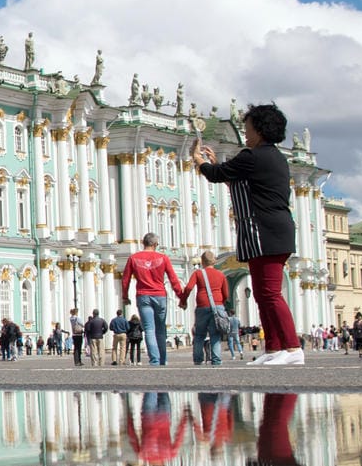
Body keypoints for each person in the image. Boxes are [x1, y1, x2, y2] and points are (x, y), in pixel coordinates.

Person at [194, 104, 302, 366]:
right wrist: (218, 164)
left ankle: (292, 347)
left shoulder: (252, 156)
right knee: (263, 293)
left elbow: (218, 176)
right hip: (269, 230)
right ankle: (275, 348)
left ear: (261, 129)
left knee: (271, 293)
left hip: (265, 230)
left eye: (248, 127)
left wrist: (200, 162)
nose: (245, 131)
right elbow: (241, 183)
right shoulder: (273, 157)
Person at [120, 233, 184, 366]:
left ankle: (154, 359)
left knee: (149, 329)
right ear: (155, 244)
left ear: (144, 243)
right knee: (160, 329)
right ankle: (162, 359)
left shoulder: (134, 258)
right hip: (160, 295)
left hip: (143, 296)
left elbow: (125, 279)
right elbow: (173, 279)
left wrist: (125, 296)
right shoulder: (163, 258)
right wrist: (181, 297)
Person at [180, 251, 232, 366]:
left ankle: (198, 360)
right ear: (214, 261)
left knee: (199, 335)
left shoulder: (198, 273)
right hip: (217, 307)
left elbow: (188, 288)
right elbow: (226, 294)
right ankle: (216, 360)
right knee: (215, 335)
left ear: (202, 262)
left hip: (202, 306)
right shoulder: (221, 275)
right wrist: (219, 304)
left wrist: (183, 301)